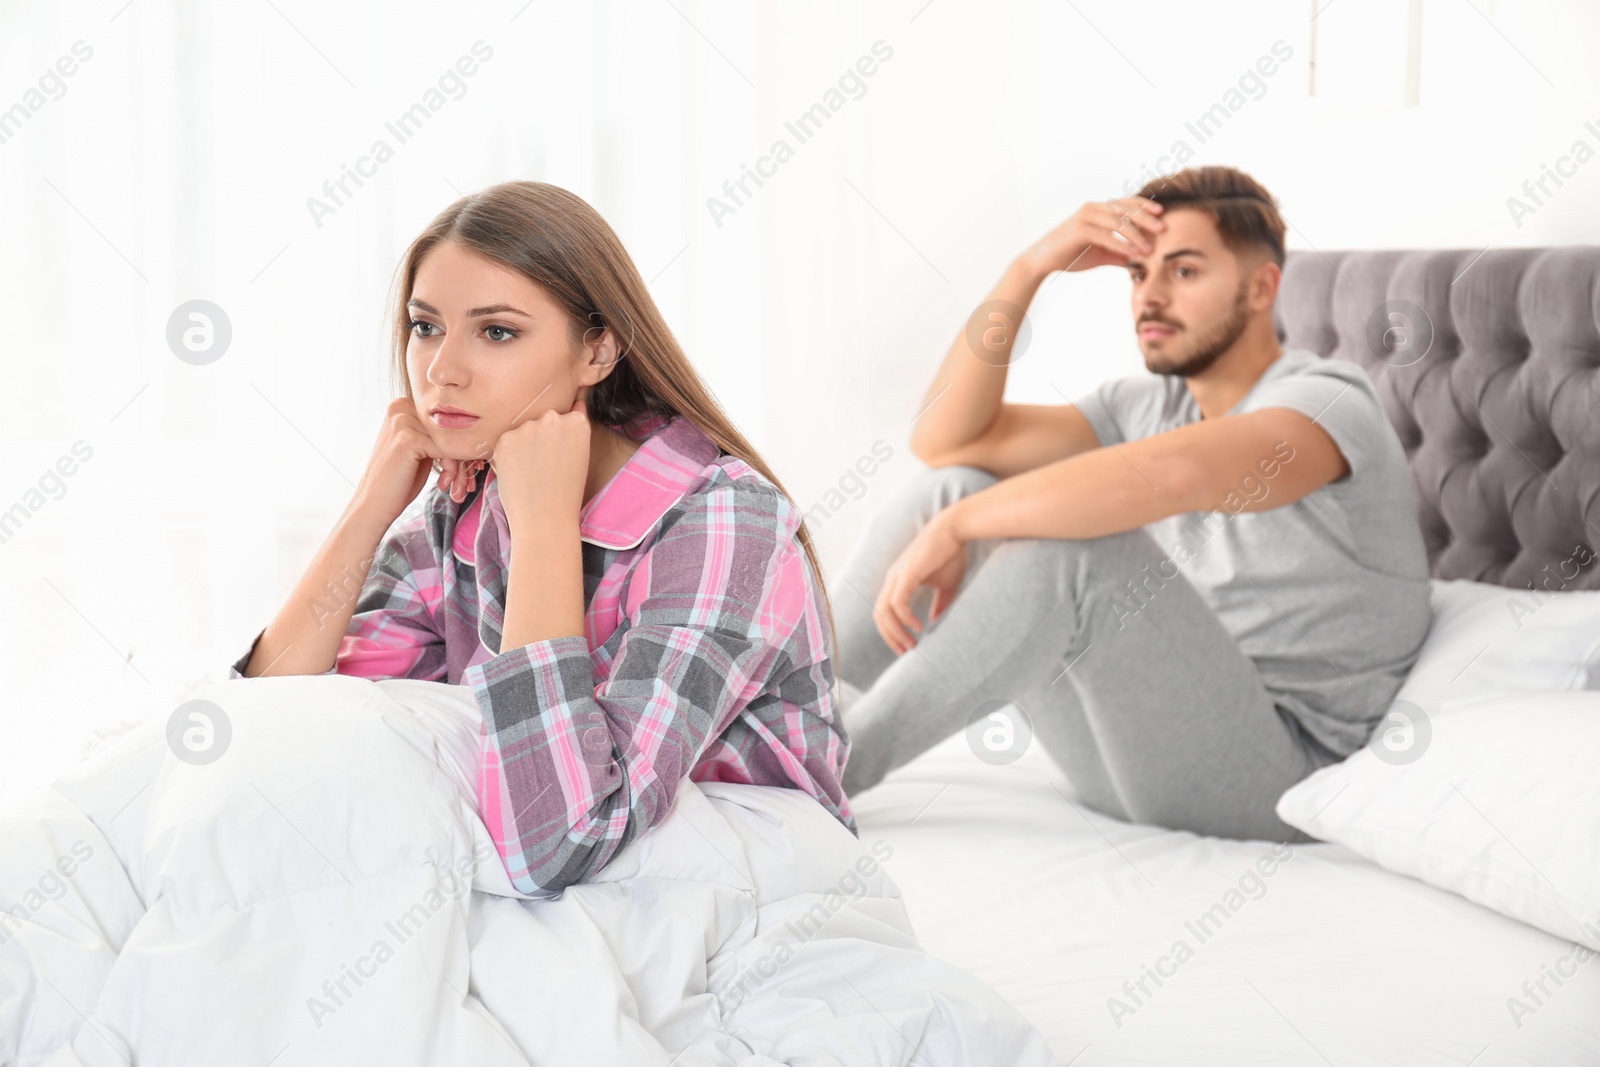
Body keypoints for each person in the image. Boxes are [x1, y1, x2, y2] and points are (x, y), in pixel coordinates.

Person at [230, 181, 852, 895]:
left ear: (598, 352)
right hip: (587, 869)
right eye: (426, 326)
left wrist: (547, 526)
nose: (441, 370)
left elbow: (555, 840)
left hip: (749, 866)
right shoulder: (462, 505)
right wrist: (368, 511)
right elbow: (269, 728)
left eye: (496, 331)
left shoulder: (724, 520)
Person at [833, 165, 1431, 843]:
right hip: (1137, 743)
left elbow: (1177, 473)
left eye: (1182, 271)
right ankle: (778, 705)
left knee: (1071, 545)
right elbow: (943, 438)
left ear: (1262, 287)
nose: (1149, 297)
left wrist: (963, 525)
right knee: (954, 485)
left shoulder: (1325, 403)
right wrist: (1029, 268)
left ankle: (826, 765)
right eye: (1138, 274)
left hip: (1276, 775)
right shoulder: (1148, 406)